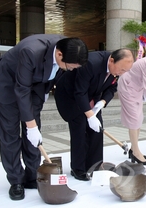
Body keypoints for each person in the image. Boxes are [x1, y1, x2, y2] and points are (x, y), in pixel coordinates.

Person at [0, 34, 88, 200]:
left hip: (35, 85)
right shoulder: (31, 51)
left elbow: (51, 74)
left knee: (33, 135)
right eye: (70, 67)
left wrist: (33, 125)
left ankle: (31, 175)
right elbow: (21, 89)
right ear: (59, 54)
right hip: (8, 83)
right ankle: (16, 181)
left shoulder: (70, 47)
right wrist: (31, 126)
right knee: (10, 133)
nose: (71, 70)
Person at [54, 49, 134, 180]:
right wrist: (90, 116)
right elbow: (79, 92)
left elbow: (112, 88)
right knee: (79, 130)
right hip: (71, 96)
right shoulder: (91, 63)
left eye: (125, 71)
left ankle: (95, 165)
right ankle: (78, 168)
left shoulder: (116, 69)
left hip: (91, 96)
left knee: (97, 130)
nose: (122, 73)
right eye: (121, 70)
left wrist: (102, 102)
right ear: (112, 60)